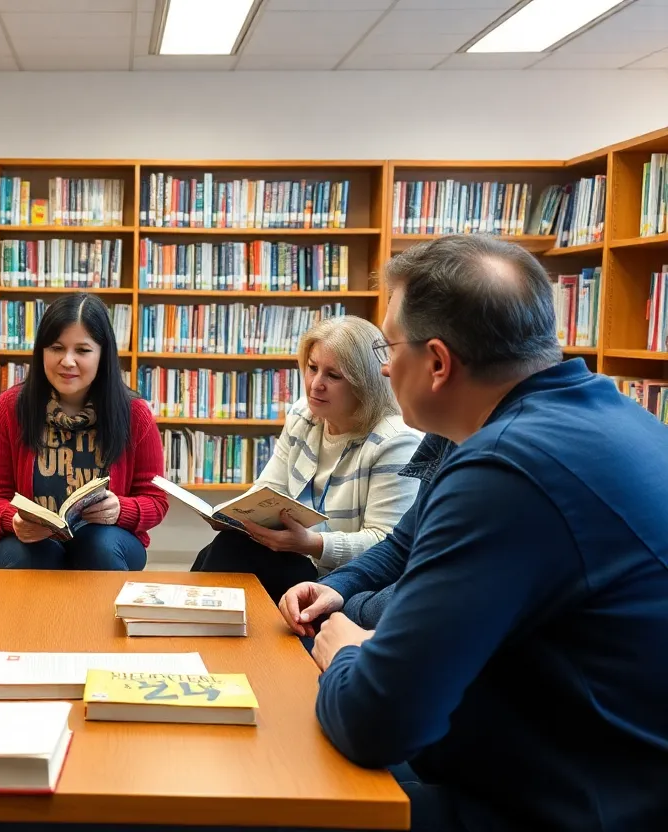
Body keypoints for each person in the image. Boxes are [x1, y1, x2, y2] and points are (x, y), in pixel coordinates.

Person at [312, 235, 668, 832]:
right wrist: (344, 593)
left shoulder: (507, 466)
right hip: (558, 751)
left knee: (261, 794)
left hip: (571, 803)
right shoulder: (585, 411)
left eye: (389, 345)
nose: (381, 365)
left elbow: (377, 724)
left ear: (438, 363)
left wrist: (346, 649)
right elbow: (409, 538)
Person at [191, 315, 421, 602]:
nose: (315, 384)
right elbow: (269, 489)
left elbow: (386, 544)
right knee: (229, 544)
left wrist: (313, 544)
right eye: (312, 368)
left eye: (333, 375)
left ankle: (187, 627)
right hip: (301, 560)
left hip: (347, 581)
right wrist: (235, 516)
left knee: (231, 553)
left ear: (364, 383)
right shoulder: (305, 415)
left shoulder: (395, 441)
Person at [0, 293, 167, 570]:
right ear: (41, 351)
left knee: (98, 544)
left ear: (103, 354)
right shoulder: (11, 408)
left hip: (109, 541)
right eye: (56, 347)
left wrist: (120, 510)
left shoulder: (134, 413)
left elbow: (156, 501)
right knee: (28, 554)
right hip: (31, 543)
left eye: (82, 350)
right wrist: (14, 520)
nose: (67, 361)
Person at [278, 432, 455, 634]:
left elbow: (435, 593)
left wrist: (345, 607)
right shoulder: (449, 439)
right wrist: (335, 586)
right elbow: (402, 546)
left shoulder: (486, 465)